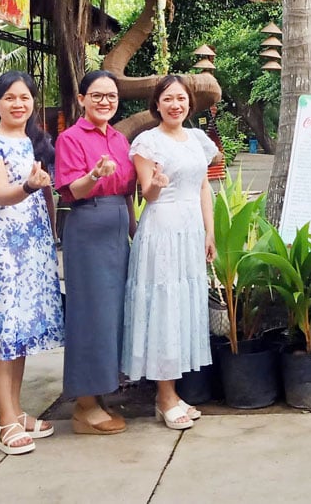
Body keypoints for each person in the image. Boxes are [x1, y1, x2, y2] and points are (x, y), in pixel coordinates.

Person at [0, 71, 64, 455]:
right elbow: (2, 194)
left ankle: (17, 410)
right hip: (1, 251)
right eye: (9, 98)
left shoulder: (34, 142)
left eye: (24, 97)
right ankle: (4, 420)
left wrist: (51, 236)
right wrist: (30, 186)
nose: (18, 104)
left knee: (19, 330)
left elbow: (46, 196)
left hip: (33, 248)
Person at [121, 75, 219, 430]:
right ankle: (163, 397)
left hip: (191, 231)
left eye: (180, 98)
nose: (175, 105)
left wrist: (210, 232)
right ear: (157, 104)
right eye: (168, 99)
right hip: (162, 230)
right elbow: (146, 193)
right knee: (163, 308)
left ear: (189, 103)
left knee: (183, 307)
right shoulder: (147, 143)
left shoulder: (197, 139)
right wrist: (156, 187)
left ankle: (173, 395)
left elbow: (204, 187)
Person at [54, 70, 135, 435]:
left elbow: (128, 191)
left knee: (114, 312)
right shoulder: (70, 138)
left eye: (111, 96)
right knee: (90, 314)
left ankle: (101, 390)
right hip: (88, 227)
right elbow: (74, 189)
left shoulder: (120, 138)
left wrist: (134, 228)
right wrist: (95, 175)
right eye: (97, 95)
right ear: (83, 98)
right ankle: (84, 404)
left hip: (119, 224)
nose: (105, 101)